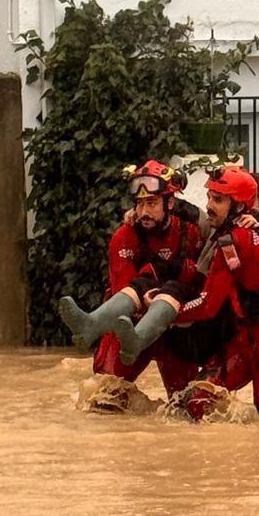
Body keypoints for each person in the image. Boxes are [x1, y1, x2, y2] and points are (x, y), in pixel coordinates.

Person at [143, 165, 259, 423]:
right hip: (246, 336)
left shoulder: (235, 240)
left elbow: (208, 304)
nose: (209, 205)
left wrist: (166, 314)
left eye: (217, 200)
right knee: (195, 399)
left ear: (239, 207)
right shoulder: (237, 234)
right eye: (209, 197)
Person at [57, 161, 202, 390]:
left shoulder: (193, 231)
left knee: (188, 406)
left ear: (170, 203)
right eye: (139, 204)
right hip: (127, 324)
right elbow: (123, 288)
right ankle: (90, 326)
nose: (144, 212)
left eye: (152, 203)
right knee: (105, 396)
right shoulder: (124, 236)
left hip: (176, 326)